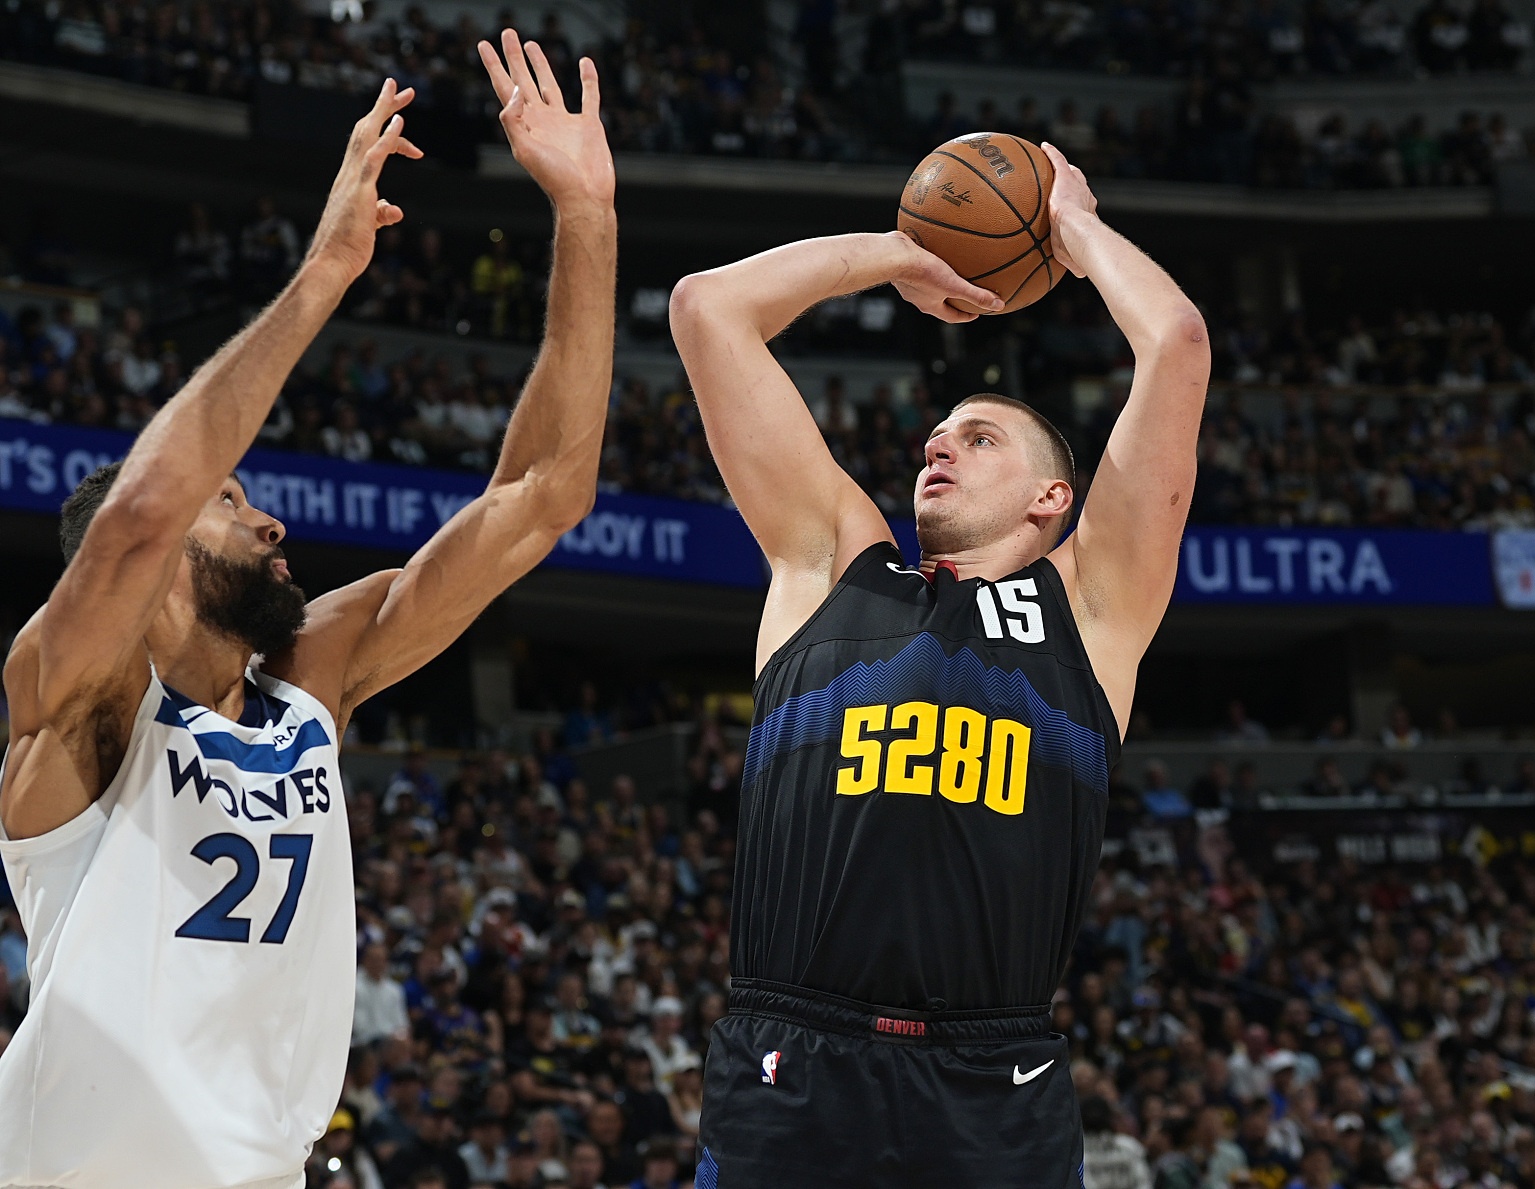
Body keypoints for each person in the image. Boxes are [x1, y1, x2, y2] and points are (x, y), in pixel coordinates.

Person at [0, 34, 617, 1189]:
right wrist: (326, 272)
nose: (272, 523)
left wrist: (587, 214)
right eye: (232, 503)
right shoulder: (79, 707)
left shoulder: (307, 689)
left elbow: (543, 497)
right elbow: (141, 513)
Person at [670, 142, 1209, 1187]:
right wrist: (896, 253)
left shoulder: (1091, 606)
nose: (938, 445)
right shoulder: (831, 565)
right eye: (936, 434)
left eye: (980, 437)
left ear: (1052, 500)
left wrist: (1075, 229)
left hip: (990, 1080)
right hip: (792, 1055)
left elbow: (1175, 341)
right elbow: (707, 308)